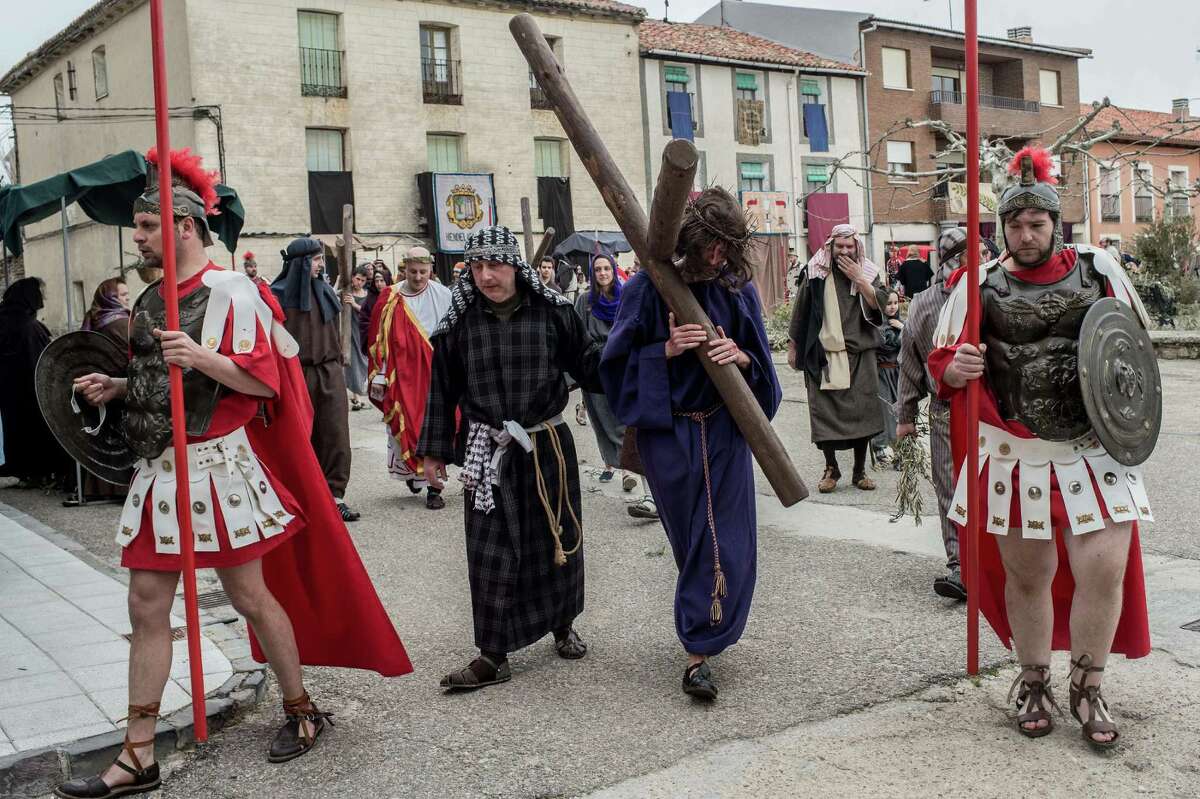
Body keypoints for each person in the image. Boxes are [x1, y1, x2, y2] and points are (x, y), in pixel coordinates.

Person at [60, 148, 410, 799]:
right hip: (160, 470)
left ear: (184, 227)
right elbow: (153, 382)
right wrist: (115, 384)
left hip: (217, 469)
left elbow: (266, 380)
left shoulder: (232, 292)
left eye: (146, 226)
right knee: (145, 604)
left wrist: (200, 355)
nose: (137, 238)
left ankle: (301, 705)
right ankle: (137, 752)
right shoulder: (147, 296)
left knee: (250, 596)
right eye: (138, 227)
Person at [929, 146, 1153, 749]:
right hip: (1016, 452)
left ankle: (1088, 685)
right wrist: (955, 370)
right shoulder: (977, 284)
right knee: (1027, 575)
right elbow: (941, 360)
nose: (1026, 235)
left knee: (1102, 571)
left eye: (1037, 224)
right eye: (1015, 225)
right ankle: (1033, 680)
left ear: (1058, 223)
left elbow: (1134, 351)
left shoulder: (1101, 269)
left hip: (1093, 446)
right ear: (1000, 226)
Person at [601, 187, 781, 701]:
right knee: (692, 540)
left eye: (726, 247)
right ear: (690, 240)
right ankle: (701, 627)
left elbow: (762, 365)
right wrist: (665, 350)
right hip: (670, 435)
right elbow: (613, 368)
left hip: (723, 429)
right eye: (709, 246)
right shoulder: (646, 288)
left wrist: (741, 358)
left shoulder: (736, 288)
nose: (717, 257)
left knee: (728, 541)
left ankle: (697, 653)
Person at [417, 225, 601, 691]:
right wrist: (435, 450)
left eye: (494, 265)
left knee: (555, 539)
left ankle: (562, 624)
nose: (484, 276)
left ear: (515, 266)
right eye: (476, 267)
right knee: (489, 552)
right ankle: (493, 654)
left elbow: (590, 365)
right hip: (487, 448)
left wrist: (640, 349)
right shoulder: (460, 323)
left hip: (547, 445)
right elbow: (441, 388)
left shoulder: (553, 313)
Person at [895, 227, 970, 601]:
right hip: (946, 409)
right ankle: (960, 567)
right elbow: (909, 359)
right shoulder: (925, 303)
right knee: (951, 487)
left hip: (992, 410)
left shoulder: (990, 292)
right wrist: (905, 416)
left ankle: (991, 563)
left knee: (989, 485)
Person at [788, 223, 887, 493]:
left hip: (860, 354)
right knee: (825, 414)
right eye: (839, 246)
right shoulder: (815, 272)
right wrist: (793, 345)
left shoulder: (869, 272)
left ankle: (859, 471)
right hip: (823, 354)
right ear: (830, 247)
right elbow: (801, 309)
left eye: (849, 246)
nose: (844, 251)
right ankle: (831, 468)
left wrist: (860, 279)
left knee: (862, 414)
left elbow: (882, 306)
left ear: (857, 247)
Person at [271, 238, 360, 522]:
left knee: (334, 434)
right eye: (318, 259)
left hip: (330, 372)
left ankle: (335, 497)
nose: (322, 265)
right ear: (302, 262)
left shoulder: (326, 291)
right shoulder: (276, 296)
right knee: (298, 437)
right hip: (296, 373)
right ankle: (299, 499)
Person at [367, 246, 451, 510]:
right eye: (413, 271)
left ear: (431, 271)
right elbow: (378, 338)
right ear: (405, 269)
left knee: (434, 425)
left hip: (434, 372)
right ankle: (414, 473)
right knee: (408, 423)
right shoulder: (390, 297)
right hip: (401, 374)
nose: (417, 277)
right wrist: (380, 375)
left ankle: (434, 489)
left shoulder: (443, 294)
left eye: (423, 272)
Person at [0, 277, 69, 488]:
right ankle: (37, 472)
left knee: (15, 429)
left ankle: (21, 470)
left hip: (7, 390)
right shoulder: (29, 326)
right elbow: (40, 360)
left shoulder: (4, 319)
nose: (44, 297)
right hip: (29, 390)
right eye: (41, 292)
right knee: (33, 430)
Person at [575, 253, 636, 490]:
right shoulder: (585, 301)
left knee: (624, 420)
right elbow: (577, 335)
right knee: (603, 421)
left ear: (613, 270)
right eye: (598, 269)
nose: (602, 273)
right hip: (595, 369)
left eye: (606, 269)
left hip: (621, 365)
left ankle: (629, 469)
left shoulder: (625, 298)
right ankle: (619, 466)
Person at [870, 290, 902, 464]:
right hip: (881, 372)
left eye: (895, 303)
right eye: (888, 303)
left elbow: (912, 343)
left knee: (900, 410)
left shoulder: (900, 323)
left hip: (898, 373)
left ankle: (901, 450)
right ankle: (881, 447)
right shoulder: (876, 325)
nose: (892, 307)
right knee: (884, 410)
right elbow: (884, 344)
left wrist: (903, 328)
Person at [342, 266, 370, 412]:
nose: (359, 282)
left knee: (363, 363)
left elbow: (368, 313)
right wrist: (338, 282)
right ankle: (357, 398)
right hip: (349, 332)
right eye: (357, 279)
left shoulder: (366, 295)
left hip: (363, 333)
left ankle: (359, 393)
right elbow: (333, 296)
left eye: (363, 280)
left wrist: (354, 304)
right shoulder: (346, 292)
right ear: (352, 277)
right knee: (352, 365)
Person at [357, 262, 393, 356]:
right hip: (375, 344)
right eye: (377, 281)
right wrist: (375, 329)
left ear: (387, 281)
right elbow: (363, 319)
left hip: (392, 342)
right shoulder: (370, 299)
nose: (379, 284)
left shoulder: (394, 298)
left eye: (382, 280)